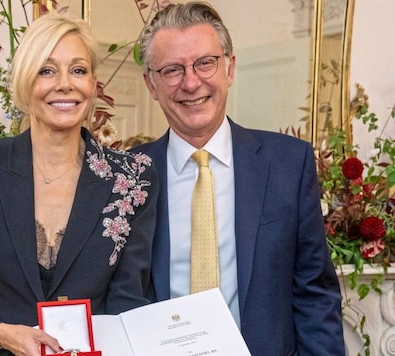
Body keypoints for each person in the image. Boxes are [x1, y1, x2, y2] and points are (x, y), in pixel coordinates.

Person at [0, 13, 158, 356]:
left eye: (79, 70)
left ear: (93, 83)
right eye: (47, 70)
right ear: (25, 83)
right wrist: (1, 333)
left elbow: (127, 300)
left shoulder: (131, 178)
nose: (65, 83)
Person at [135, 2, 345, 355]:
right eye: (172, 69)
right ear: (151, 84)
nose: (191, 82)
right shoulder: (130, 175)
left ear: (229, 68)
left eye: (205, 63)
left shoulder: (288, 165)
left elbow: (315, 294)